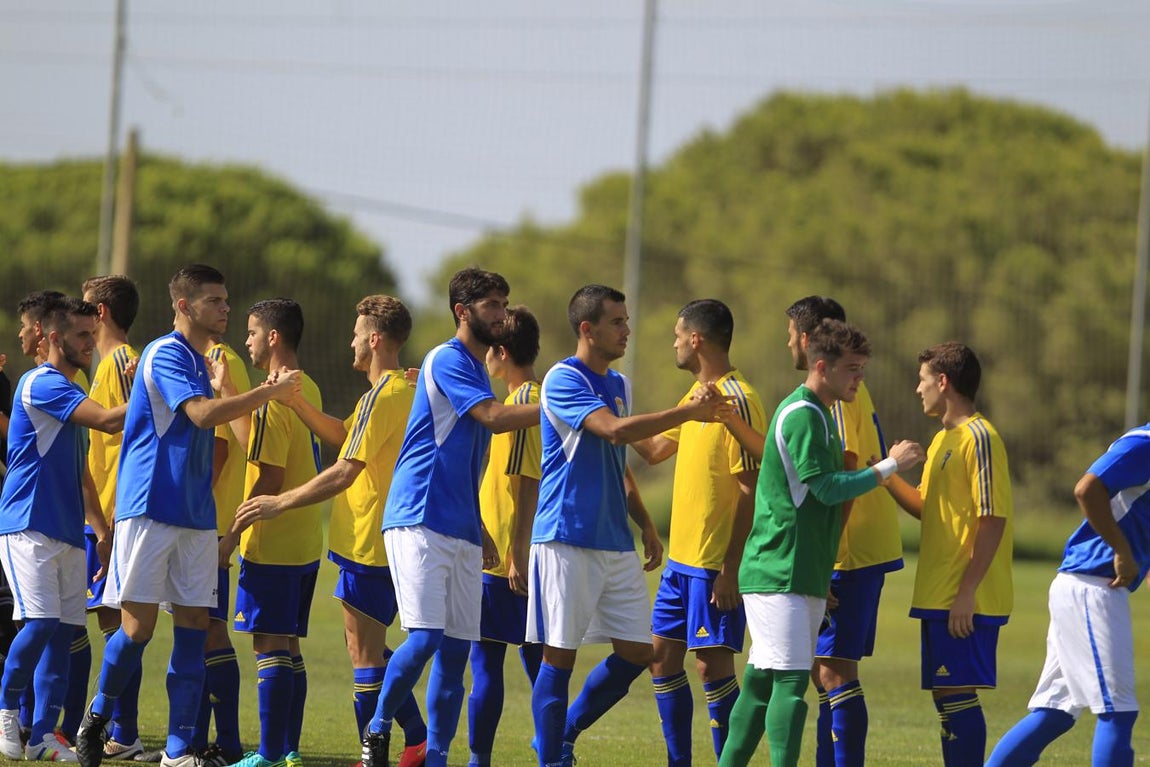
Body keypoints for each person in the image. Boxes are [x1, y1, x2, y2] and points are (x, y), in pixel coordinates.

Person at [75, 265, 301, 767]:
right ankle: (96, 718)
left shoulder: (204, 363)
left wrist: (236, 392)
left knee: (195, 630)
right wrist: (269, 391)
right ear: (184, 306)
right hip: (150, 510)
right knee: (136, 631)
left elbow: (224, 432)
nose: (225, 308)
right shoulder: (165, 353)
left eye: (225, 300)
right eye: (215, 301)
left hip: (198, 518)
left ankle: (178, 751)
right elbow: (199, 415)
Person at [528, 284, 735, 767]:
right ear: (587, 329)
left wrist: (645, 522)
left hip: (615, 541)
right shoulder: (562, 379)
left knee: (639, 652)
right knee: (559, 656)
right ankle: (550, 759)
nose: (627, 330)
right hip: (566, 536)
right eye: (617, 322)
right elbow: (614, 431)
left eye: (626, 320)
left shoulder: (618, 385)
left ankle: (560, 736)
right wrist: (689, 410)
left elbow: (638, 452)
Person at [718, 319, 923, 767]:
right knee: (791, 684)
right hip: (779, 568)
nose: (859, 378)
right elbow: (826, 489)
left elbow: (823, 500)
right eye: (852, 368)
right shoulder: (803, 414)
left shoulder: (822, 414)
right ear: (823, 366)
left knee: (760, 683)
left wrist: (819, 570)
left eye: (862, 368)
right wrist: (890, 467)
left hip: (797, 570)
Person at [234, 295, 428, 767]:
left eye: (358, 334)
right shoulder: (393, 392)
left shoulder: (387, 394)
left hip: (370, 541)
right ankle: (417, 738)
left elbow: (345, 469)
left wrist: (279, 501)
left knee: (364, 656)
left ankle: (375, 751)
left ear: (375, 340)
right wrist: (296, 401)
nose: (352, 341)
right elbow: (344, 436)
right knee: (366, 646)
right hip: (370, 540)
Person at [360, 268, 539, 767]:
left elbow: (474, 458)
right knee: (425, 639)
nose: (502, 313)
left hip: (459, 526)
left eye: (505, 303)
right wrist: (564, 410)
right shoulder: (448, 358)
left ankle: (435, 755)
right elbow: (494, 419)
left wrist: (478, 525)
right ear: (463, 312)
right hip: (418, 516)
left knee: (457, 652)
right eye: (492, 305)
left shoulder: (479, 373)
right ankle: (377, 729)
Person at [629, 299, 764, 766]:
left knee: (712, 666)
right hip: (679, 563)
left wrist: (731, 567)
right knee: (662, 660)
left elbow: (750, 490)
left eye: (676, 333)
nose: (674, 342)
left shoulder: (738, 399)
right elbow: (652, 450)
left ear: (697, 339)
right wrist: (602, 412)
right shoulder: (696, 398)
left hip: (713, 566)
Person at [0, 297, 125, 761]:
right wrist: (164, 393)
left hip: (69, 531)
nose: (90, 344)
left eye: (92, 336)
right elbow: (112, 422)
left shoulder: (73, 389)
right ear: (54, 338)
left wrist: (100, 530)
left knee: (65, 632)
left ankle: (43, 737)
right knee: (42, 624)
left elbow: (81, 471)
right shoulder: (41, 384)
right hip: (26, 524)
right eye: (81, 336)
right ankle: (7, 709)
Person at [985, 427, 1148, 767]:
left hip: (1089, 586)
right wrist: (1122, 550)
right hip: (1094, 586)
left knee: (1055, 712)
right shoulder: (1145, 442)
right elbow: (1087, 488)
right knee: (1118, 710)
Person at [883, 342, 1013, 767]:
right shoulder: (941, 439)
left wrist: (967, 592)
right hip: (939, 591)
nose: (918, 389)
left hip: (963, 595)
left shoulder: (980, 437)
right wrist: (884, 475)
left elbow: (992, 518)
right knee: (946, 695)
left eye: (923, 380)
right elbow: (927, 508)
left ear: (943, 381)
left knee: (957, 693)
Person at [214, 299, 322, 767]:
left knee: (268, 644)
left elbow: (269, 475)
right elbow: (255, 444)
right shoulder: (304, 386)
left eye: (253, 332)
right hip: (303, 539)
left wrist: (233, 535)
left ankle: (270, 754)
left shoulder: (277, 393)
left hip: (274, 541)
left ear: (273, 337)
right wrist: (231, 391)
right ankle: (289, 750)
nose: (247, 340)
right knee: (289, 646)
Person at [466, 306, 545, 767]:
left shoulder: (521, 405)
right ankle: (552, 748)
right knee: (532, 663)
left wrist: (516, 552)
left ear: (501, 351)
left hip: (511, 558)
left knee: (499, 664)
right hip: (505, 551)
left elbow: (525, 480)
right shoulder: (525, 399)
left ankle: (487, 758)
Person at [76, 275, 150, 760]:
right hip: (100, 514)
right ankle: (121, 731)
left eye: (83, 309)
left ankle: (122, 730)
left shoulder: (124, 361)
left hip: (114, 516)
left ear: (100, 312)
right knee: (108, 623)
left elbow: (137, 434)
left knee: (121, 623)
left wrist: (115, 519)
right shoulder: (106, 364)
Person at [192, 336, 251, 765]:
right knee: (198, 629)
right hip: (202, 523)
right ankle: (193, 741)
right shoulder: (210, 357)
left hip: (205, 523)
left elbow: (219, 445)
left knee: (208, 628)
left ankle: (227, 743)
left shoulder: (218, 359)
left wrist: (189, 505)